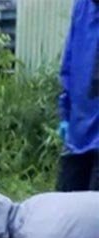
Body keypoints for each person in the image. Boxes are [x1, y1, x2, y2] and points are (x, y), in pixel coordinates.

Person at [56, 0, 99, 191]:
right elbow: (69, 62)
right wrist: (65, 113)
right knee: (62, 207)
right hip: (78, 133)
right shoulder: (83, 6)